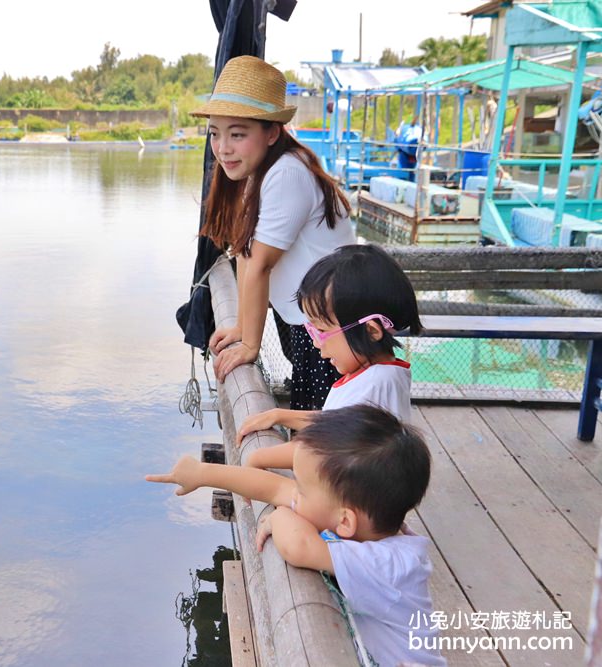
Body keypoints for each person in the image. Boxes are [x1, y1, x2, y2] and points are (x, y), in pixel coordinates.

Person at [146, 405, 445, 667]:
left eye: (301, 489)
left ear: (345, 521)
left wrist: (279, 516)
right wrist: (203, 473)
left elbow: (298, 545)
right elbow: (275, 488)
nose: (294, 494)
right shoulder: (362, 526)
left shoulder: (387, 564)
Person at [193, 56, 355, 409]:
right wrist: (239, 328)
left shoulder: (286, 173)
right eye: (215, 134)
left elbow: (260, 263)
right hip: (309, 321)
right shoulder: (263, 172)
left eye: (237, 134)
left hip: (331, 330)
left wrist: (249, 344)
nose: (223, 148)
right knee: (315, 433)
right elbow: (248, 254)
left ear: (272, 131)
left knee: (323, 440)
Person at [237, 244, 423, 469]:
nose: (316, 342)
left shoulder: (373, 386)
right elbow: (335, 422)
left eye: (322, 331)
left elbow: (322, 447)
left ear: (371, 331)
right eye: (312, 330)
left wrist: (256, 458)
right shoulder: (380, 373)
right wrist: (279, 415)